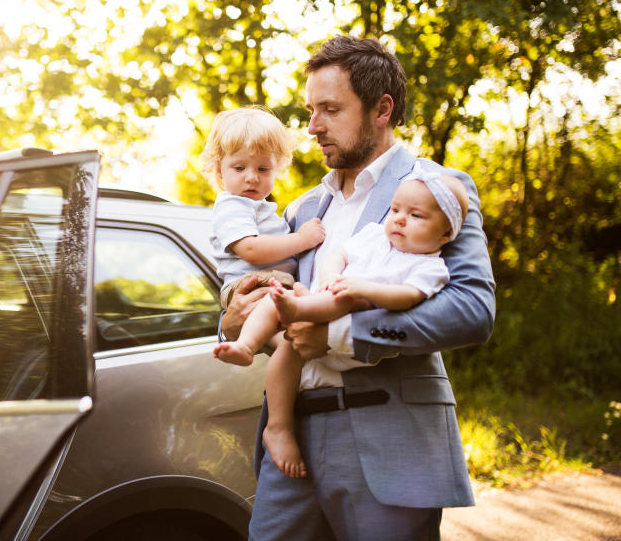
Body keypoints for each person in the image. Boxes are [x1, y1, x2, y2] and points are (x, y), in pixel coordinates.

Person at [219, 36, 496, 541]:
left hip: (388, 440)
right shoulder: (302, 210)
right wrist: (236, 311)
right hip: (290, 440)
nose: (312, 126)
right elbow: (271, 296)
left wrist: (341, 336)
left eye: (329, 109)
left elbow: (472, 310)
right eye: (310, 110)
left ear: (381, 110)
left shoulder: (436, 189)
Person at [201, 106, 326, 479]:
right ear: (218, 169)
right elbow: (251, 250)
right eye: (239, 168)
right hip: (254, 284)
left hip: (269, 284)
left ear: (277, 168)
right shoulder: (232, 205)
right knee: (279, 307)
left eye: (263, 169)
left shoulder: (262, 207)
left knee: (289, 349)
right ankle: (245, 346)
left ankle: (280, 425)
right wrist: (301, 240)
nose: (251, 178)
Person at [268, 167, 469, 335]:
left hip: (352, 317)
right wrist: (330, 276)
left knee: (345, 299)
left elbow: (407, 296)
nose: (399, 219)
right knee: (270, 304)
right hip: (323, 295)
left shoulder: (431, 267)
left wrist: (363, 289)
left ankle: (297, 309)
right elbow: (339, 255)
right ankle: (248, 343)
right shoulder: (375, 235)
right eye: (395, 209)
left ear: (446, 234)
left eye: (415, 215)